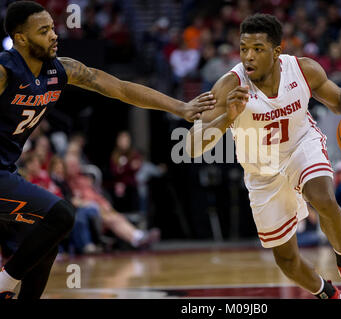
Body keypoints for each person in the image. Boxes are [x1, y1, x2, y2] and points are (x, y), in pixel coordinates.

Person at [0, 1, 215, 299]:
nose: (54, 35)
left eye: (52, 27)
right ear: (20, 38)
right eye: (44, 30)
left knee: (44, 239)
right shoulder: (4, 70)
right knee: (62, 214)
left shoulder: (61, 69)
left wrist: (181, 107)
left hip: (7, 171)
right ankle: (5, 283)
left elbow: (120, 88)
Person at [187, 14, 341, 299]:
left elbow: (340, 99)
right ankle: (330, 294)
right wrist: (226, 118)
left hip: (300, 146)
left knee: (323, 199)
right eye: (244, 48)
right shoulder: (228, 86)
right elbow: (192, 145)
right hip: (262, 173)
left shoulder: (303, 70)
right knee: (286, 259)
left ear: (276, 52)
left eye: (257, 49)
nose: (248, 56)